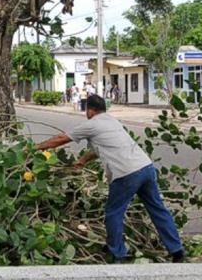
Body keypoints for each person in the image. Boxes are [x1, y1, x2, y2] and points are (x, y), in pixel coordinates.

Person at [35, 95, 184, 263]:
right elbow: (102, 147)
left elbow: (61, 139)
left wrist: (35, 148)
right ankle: (176, 250)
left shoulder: (91, 124)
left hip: (126, 173)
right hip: (146, 168)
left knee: (114, 213)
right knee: (157, 209)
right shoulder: (112, 121)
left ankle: (117, 253)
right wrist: (83, 160)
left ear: (90, 110)